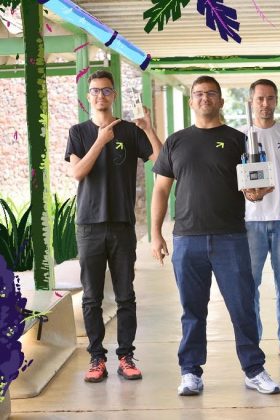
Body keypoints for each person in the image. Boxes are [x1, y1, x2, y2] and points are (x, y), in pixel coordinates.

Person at [150, 76, 280, 396]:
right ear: (191, 101)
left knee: (242, 307)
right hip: (187, 239)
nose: (204, 98)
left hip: (230, 238)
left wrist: (256, 193)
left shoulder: (240, 140)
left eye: (211, 93)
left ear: (221, 101)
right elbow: (161, 190)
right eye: (198, 94)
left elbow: (256, 183)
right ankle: (190, 372)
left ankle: (254, 370)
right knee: (192, 310)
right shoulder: (176, 142)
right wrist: (155, 234)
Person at [65, 70, 161, 383]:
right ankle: (96, 359)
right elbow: (77, 172)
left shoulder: (130, 131)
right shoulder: (78, 132)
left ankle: (125, 357)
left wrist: (148, 129)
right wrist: (100, 140)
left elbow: (162, 161)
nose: (101, 96)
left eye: (106, 90)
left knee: (125, 296)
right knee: (91, 298)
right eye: (95, 91)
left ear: (114, 95)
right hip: (89, 226)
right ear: (88, 96)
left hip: (122, 225)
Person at [242, 79, 280, 358]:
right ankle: (251, 341)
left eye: (270, 98)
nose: (265, 104)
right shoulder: (240, 135)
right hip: (250, 221)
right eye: (260, 99)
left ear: (276, 100)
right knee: (249, 285)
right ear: (251, 102)